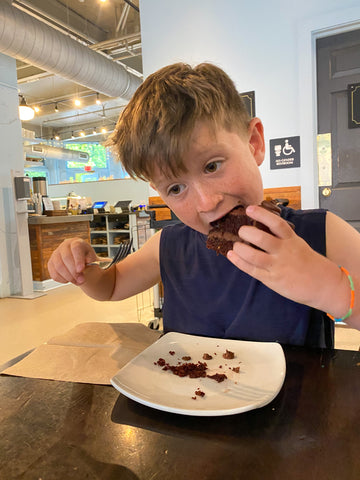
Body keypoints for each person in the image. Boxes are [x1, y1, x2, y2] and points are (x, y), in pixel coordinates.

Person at [48, 62, 360, 347]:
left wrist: (328, 286)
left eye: (212, 166)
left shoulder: (320, 233)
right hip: (190, 400)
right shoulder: (168, 247)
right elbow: (112, 286)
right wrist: (84, 270)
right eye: (176, 188)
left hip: (296, 405)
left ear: (254, 144)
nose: (207, 202)